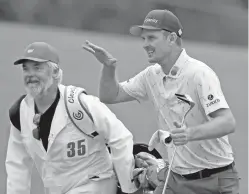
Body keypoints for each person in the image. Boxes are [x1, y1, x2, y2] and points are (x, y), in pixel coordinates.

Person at [83, 9, 240, 194]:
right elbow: (111, 95)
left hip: (216, 179)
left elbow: (227, 122)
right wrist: (109, 68)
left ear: (171, 38)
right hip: (177, 178)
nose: (145, 44)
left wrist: (189, 133)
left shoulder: (199, 74)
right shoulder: (151, 75)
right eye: (144, 39)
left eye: (151, 38)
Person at [5, 42, 139, 194]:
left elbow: (120, 137)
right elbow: (17, 165)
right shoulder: (20, 113)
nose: (30, 74)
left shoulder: (79, 103)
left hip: (96, 183)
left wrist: (129, 188)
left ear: (55, 72)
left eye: (37, 67)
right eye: (25, 68)